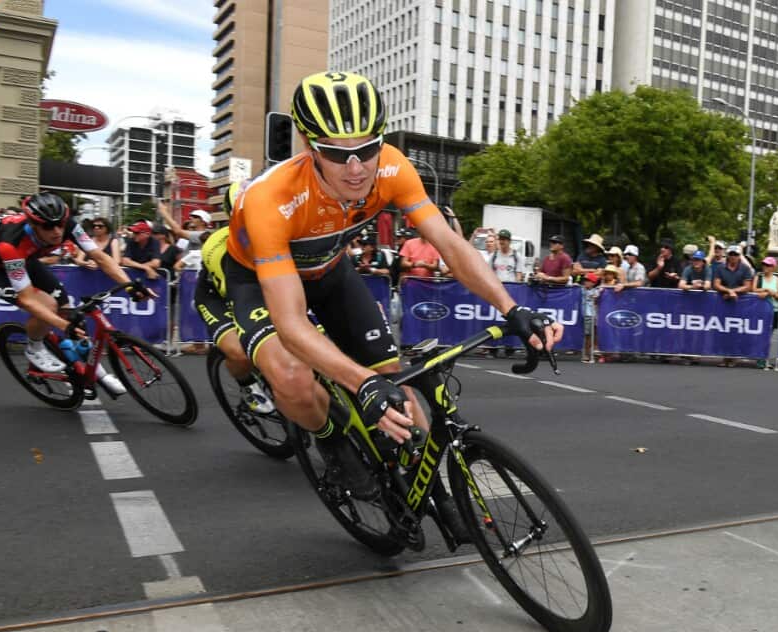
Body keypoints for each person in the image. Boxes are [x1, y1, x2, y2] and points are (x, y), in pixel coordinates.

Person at [222, 71, 559, 499]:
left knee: (397, 384)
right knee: (292, 376)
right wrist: (361, 385)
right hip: (257, 280)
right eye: (337, 153)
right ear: (308, 146)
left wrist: (512, 308)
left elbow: (451, 246)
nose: (357, 167)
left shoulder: (394, 167)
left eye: (367, 148)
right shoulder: (270, 199)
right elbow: (289, 321)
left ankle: (422, 486)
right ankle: (332, 441)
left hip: (328, 270)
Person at [0, 192, 145, 396]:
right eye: (48, 226)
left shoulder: (68, 225)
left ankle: (90, 369)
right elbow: (27, 300)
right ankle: (34, 347)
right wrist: (62, 325)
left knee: (67, 310)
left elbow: (100, 257)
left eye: (60, 224)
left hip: (26, 259)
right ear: (34, 225)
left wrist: (130, 285)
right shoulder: (11, 241)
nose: (57, 231)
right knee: (48, 306)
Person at [192, 180, 275, 414]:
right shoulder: (218, 248)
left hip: (259, 289)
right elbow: (241, 301)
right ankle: (247, 385)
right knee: (240, 352)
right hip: (217, 298)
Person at [753, 257, 778, 369]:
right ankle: (760, 358)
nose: (765, 267)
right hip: (760, 309)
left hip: (773, 310)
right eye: (764, 264)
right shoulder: (759, 277)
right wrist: (766, 290)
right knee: (759, 334)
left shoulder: (777, 279)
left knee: (769, 335)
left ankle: (766, 358)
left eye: (768, 265)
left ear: (773, 267)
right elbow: (753, 289)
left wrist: (770, 292)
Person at [580, 272, 600, 363]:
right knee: (586, 335)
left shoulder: (595, 291)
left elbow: (597, 295)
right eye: (585, 281)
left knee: (589, 335)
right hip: (583, 314)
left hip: (591, 315)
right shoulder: (582, 289)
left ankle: (588, 354)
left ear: (593, 283)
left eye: (588, 281)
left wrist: (596, 295)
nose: (585, 282)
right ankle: (587, 354)